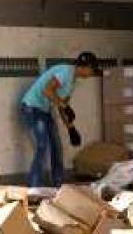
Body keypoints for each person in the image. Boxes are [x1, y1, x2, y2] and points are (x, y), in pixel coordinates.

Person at [19, 51, 99, 187]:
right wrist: (63, 104)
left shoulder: (72, 82)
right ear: (85, 67)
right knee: (42, 146)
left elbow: (62, 106)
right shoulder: (66, 72)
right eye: (92, 70)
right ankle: (33, 188)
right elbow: (47, 90)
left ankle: (59, 185)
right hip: (32, 107)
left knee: (56, 146)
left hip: (43, 110)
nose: (92, 73)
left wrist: (71, 128)